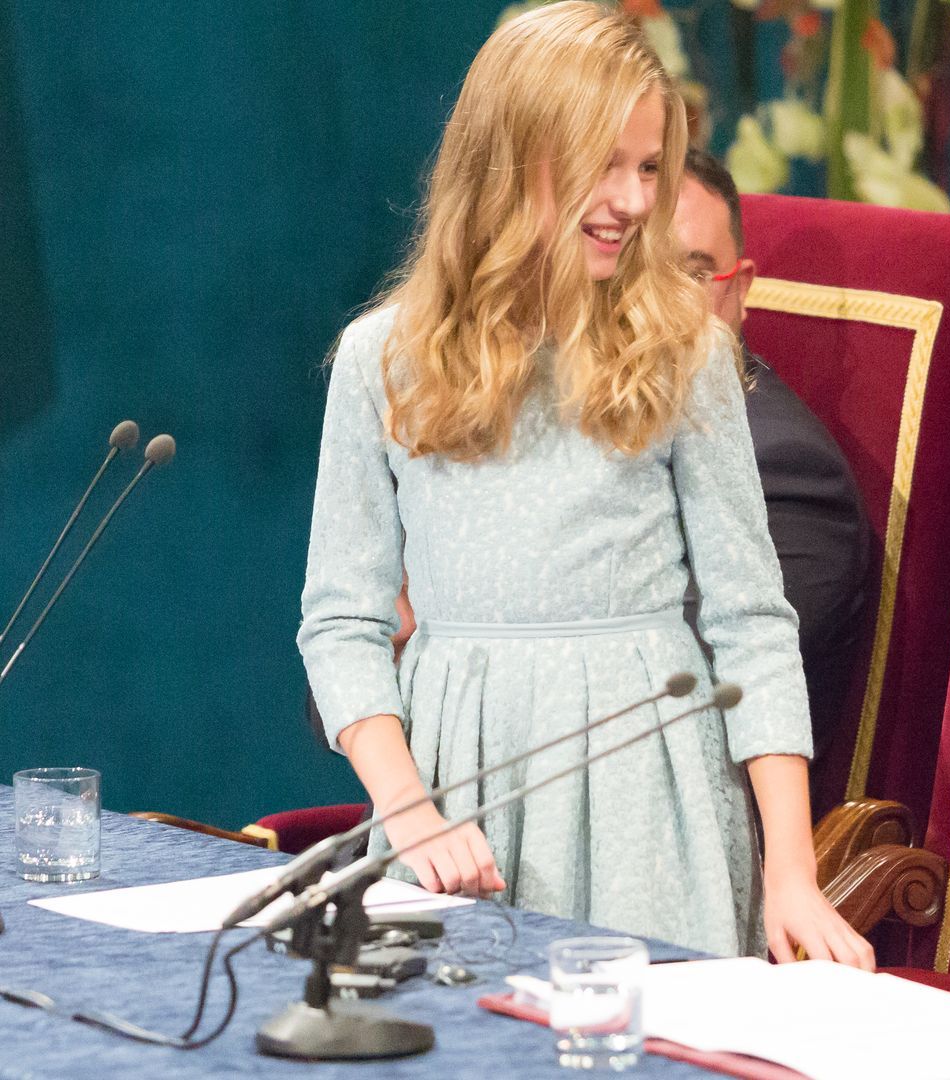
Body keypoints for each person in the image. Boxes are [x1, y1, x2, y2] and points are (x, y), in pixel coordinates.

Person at [297, 2, 872, 969]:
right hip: (455, 797)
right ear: (511, 156)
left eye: (649, 167)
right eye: (606, 164)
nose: (637, 199)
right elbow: (341, 624)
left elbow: (751, 624)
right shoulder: (380, 360)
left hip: (651, 812)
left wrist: (791, 875)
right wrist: (412, 815)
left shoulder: (685, 351)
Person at [670, 148, 872, 755]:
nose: (655, 305)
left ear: (742, 288)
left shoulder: (787, 475)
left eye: (690, 275)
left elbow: (677, 702)